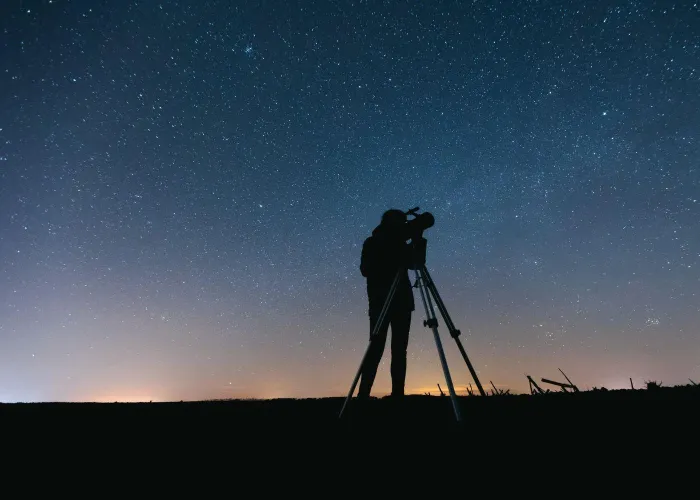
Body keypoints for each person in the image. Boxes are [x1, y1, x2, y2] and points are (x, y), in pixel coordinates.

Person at [358, 209, 425, 399]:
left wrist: (418, 239)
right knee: (376, 348)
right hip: (380, 302)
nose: (403, 226)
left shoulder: (401, 244)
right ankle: (363, 395)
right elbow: (366, 269)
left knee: (399, 350)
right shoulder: (373, 242)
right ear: (387, 223)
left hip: (402, 302)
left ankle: (398, 395)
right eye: (400, 222)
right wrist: (389, 251)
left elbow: (417, 264)